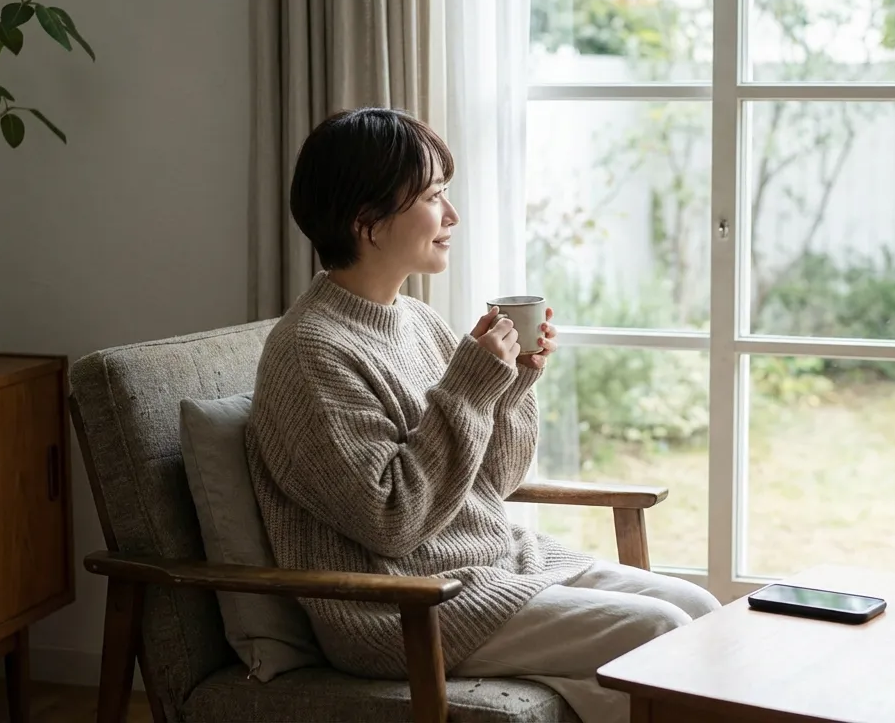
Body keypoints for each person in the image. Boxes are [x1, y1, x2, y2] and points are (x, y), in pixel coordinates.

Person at [245, 107, 721, 723]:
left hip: (496, 567)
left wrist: (513, 383)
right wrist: (471, 388)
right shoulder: (309, 351)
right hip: (404, 607)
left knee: (700, 610)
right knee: (659, 629)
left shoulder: (417, 321)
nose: (452, 215)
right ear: (367, 222)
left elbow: (493, 479)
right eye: (432, 196)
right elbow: (392, 520)